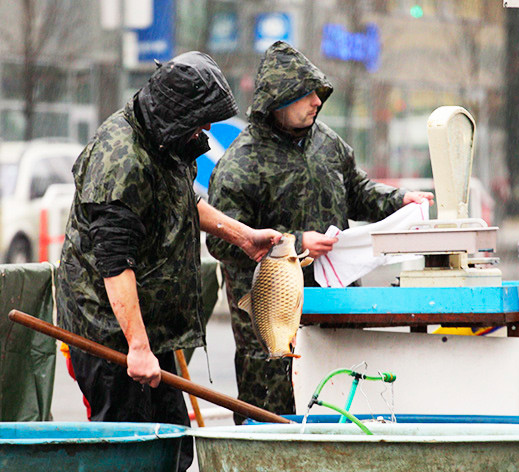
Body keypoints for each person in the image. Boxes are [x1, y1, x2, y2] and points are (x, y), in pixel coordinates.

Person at [56, 51, 281, 472]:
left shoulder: (164, 142)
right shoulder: (120, 162)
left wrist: (243, 235)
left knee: (173, 447)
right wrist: (138, 348)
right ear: (177, 114)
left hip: (148, 334)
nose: (208, 131)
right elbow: (114, 261)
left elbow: (183, 201)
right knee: (129, 454)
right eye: (202, 121)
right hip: (110, 339)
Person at [206, 41, 433, 424]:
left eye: (318, 93)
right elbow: (220, 239)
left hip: (334, 306)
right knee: (272, 418)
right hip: (271, 322)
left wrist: (400, 200)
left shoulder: (327, 143)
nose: (316, 101)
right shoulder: (240, 163)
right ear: (278, 100)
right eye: (305, 94)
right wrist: (296, 241)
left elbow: (358, 192)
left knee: (340, 405)